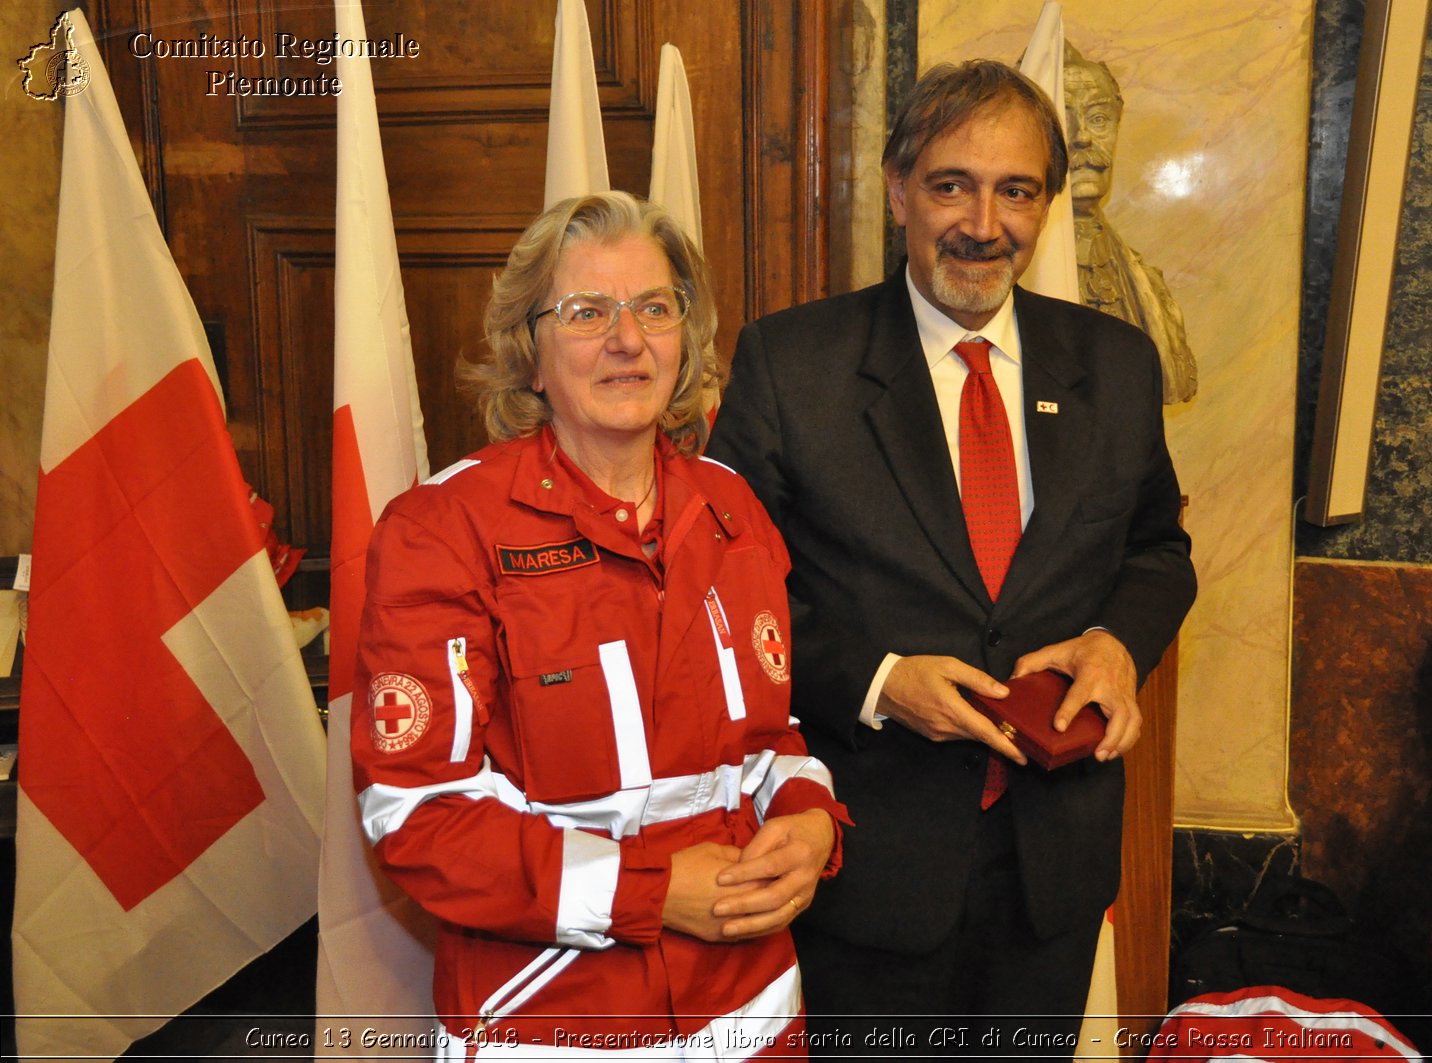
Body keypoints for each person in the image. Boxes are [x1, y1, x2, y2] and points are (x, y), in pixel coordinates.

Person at [706, 59, 1196, 1048]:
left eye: (1015, 190)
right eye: (950, 185)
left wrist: (1115, 640)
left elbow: (1156, 549)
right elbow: (725, 595)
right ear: (897, 191)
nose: (982, 222)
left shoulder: (1115, 364)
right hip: (866, 856)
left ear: (1047, 205)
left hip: (1052, 863)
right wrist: (879, 679)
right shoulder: (790, 364)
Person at [351, 191, 848, 1059]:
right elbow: (418, 816)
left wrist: (811, 823)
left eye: (654, 308)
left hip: (755, 1008)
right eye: (588, 312)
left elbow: (773, 737)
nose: (628, 339)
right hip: (552, 1019)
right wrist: (647, 893)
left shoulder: (733, 508)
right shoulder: (443, 529)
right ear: (530, 356)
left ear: (684, 339)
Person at [1063, 46, 1199, 403]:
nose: (1082, 137)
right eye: (1062, 119)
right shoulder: (994, 283)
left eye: (1098, 119)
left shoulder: (1145, 283)